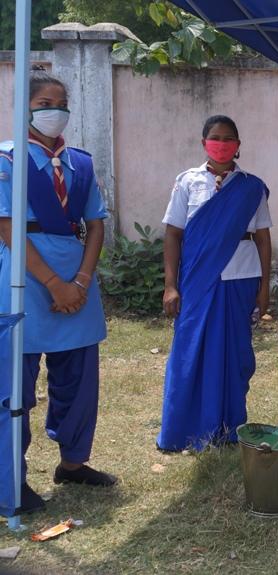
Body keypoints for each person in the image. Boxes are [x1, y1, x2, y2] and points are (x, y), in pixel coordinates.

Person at [0, 69, 117, 515]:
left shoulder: (81, 163)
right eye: (46, 103)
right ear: (25, 107)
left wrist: (81, 282)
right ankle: (11, 476)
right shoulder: (7, 160)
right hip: (24, 282)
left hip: (78, 287)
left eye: (61, 102)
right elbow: (7, 227)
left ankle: (73, 463)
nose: (56, 111)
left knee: (79, 379)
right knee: (15, 385)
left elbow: (96, 224)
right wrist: (55, 284)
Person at [157, 115, 272, 452]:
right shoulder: (186, 182)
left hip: (241, 277)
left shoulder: (251, 187)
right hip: (196, 279)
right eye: (215, 137)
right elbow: (173, 234)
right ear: (203, 142)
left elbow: (264, 239)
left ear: (238, 145)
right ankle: (183, 430)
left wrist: (264, 286)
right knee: (190, 350)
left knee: (235, 353)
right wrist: (170, 284)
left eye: (229, 138)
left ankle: (227, 427)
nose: (222, 143)